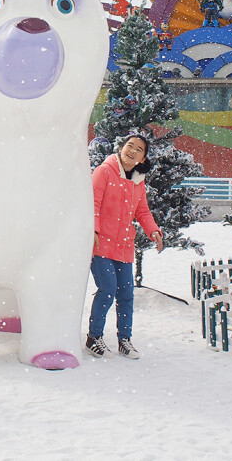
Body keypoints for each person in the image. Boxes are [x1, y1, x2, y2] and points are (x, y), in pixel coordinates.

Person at [86, 134, 164, 359]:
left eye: (139, 149)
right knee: (108, 290)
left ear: (142, 158)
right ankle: (94, 337)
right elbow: (93, 202)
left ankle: (125, 340)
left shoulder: (138, 181)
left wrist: (153, 231)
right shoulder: (104, 171)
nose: (133, 150)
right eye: (130, 145)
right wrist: (93, 229)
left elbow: (142, 211)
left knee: (126, 294)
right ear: (121, 148)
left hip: (124, 246)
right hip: (101, 244)